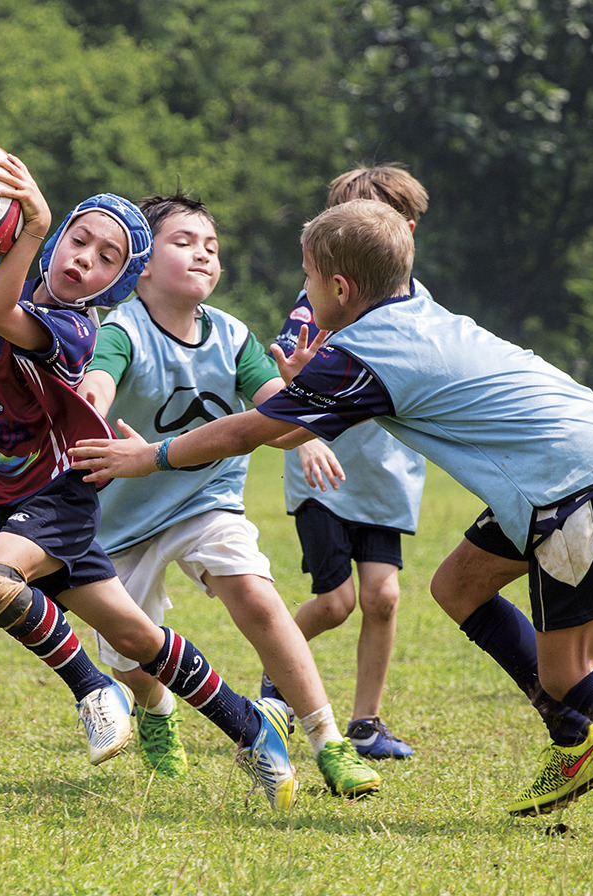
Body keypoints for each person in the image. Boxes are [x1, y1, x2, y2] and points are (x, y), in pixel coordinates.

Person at [71, 198, 593, 841]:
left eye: (309, 280)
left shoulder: (362, 352)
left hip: (571, 482)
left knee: (572, 672)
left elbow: (245, 432)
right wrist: (311, 375)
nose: (305, 295)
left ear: (339, 289)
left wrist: (150, 456)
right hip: (562, 464)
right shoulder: (407, 303)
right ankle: (579, 745)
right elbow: (285, 422)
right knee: (459, 586)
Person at [0, 164, 300, 810]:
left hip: (56, 500)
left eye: (107, 258)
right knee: (139, 639)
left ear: (119, 281)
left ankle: (95, 690)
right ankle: (252, 728)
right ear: (62, 238)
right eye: (79, 240)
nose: (85, 260)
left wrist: (31, 227)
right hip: (21, 505)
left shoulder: (76, 331)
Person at [77, 190, 382, 798]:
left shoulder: (234, 336)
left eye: (212, 247)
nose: (204, 255)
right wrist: (94, 412)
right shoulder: (121, 331)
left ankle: (328, 742)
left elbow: (278, 419)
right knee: (129, 655)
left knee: (256, 592)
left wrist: (306, 411)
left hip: (206, 501)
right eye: (184, 242)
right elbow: (97, 385)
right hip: (123, 522)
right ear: (140, 261)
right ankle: (156, 708)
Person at [265, 166, 428, 759]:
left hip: (388, 476)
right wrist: (300, 414)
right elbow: (284, 372)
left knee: (383, 597)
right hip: (324, 474)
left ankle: (366, 723)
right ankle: (276, 674)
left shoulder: (419, 312)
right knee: (336, 604)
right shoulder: (316, 304)